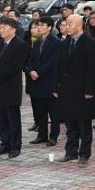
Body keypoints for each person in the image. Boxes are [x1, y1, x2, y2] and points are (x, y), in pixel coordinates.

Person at [55, 15, 95, 164]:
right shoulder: (64, 43)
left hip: (83, 91)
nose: (67, 27)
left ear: (79, 25)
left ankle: (84, 153)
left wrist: (90, 91)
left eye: (70, 24)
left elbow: (94, 70)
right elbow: (59, 67)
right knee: (70, 125)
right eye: (66, 24)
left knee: (84, 125)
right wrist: (56, 86)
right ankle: (71, 152)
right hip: (67, 91)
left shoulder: (92, 43)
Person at [0, 17, 29, 158]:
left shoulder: (20, 45)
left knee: (12, 118)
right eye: (0, 28)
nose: (1, 30)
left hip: (10, 86)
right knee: (0, 117)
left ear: (13, 29)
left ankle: (15, 146)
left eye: (4, 28)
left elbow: (15, 66)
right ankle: (4, 144)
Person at [26, 16, 62, 146]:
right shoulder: (36, 42)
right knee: (40, 111)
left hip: (49, 82)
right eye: (38, 25)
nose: (39, 28)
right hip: (36, 82)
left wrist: (38, 72)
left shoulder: (57, 43)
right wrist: (30, 71)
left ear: (49, 27)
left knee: (53, 112)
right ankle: (42, 135)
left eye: (42, 25)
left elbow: (53, 62)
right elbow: (30, 60)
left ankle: (54, 136)